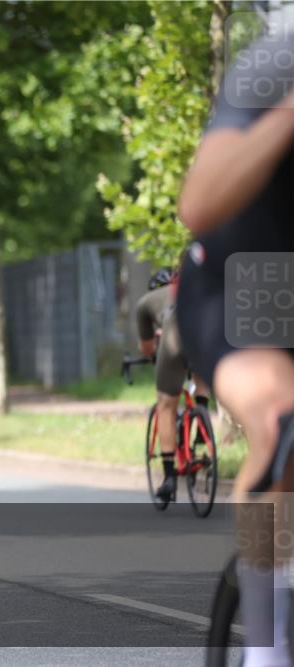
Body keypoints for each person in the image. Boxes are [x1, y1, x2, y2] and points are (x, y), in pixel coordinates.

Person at [177, 30, 294, 667]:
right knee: (282, 413)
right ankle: (268, 650)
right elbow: (199, 203)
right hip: (238, 283)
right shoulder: (278, 63)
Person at [134, 268, 210, 501]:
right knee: (200, 372)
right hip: (206, 335)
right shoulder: (197, 290)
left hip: (173, 341)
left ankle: (169, 477)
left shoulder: (146, 302)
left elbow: (146, 348)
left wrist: (154, 357)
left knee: (166, 405)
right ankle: (202, 417)